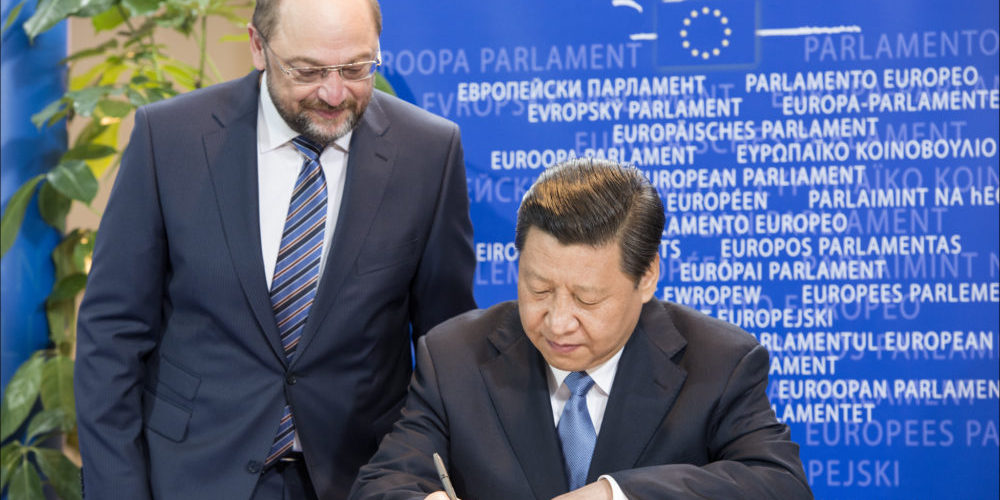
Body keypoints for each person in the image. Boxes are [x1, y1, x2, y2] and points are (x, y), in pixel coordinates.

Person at [73, 0, 476, 498]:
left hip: (361, 479)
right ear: (258, 47)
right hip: (193, 472)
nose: (334, 93)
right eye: (307, 71)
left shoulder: (428, 153)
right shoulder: (169, 139)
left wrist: (418, 478)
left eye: (356, 68)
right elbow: (112, 335)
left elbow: (445, 347)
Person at [349, 158, 813, 500]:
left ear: (647, 276)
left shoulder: (719, 361)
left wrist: (616, 495)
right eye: (538, 289)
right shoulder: (454, 356)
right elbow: (384, 483)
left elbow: (779, 484)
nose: (557, 321)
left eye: (588, 299)